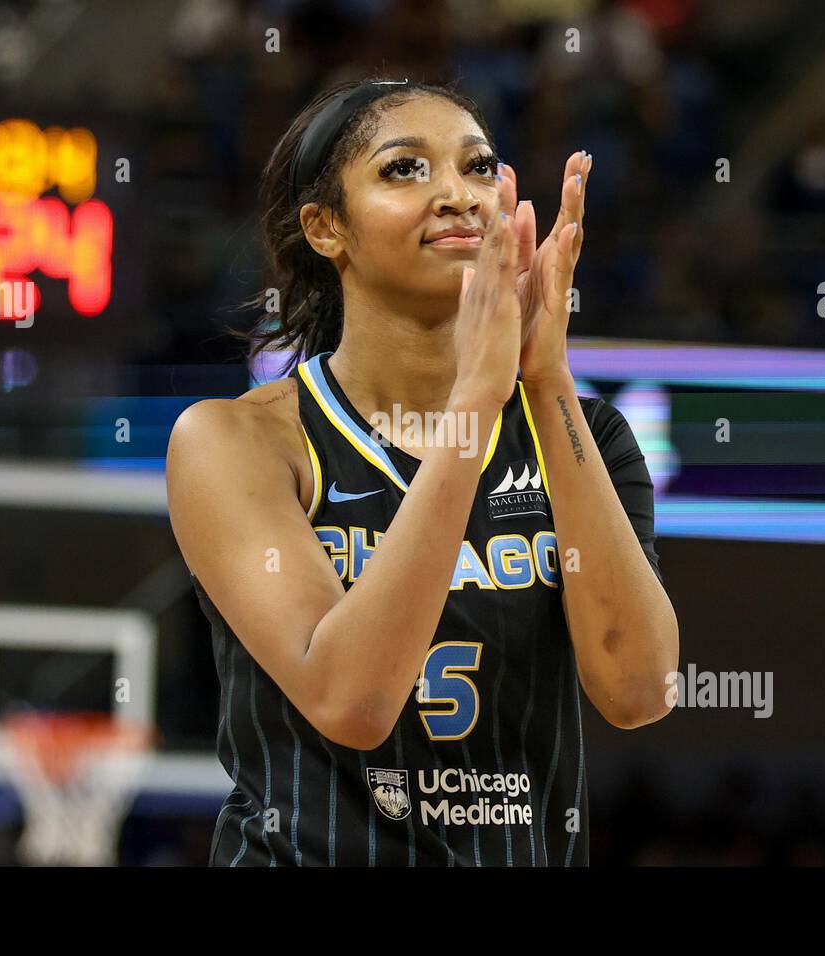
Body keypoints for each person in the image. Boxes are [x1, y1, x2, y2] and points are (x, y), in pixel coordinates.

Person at [166, 78, 678, 866]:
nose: (458, 196)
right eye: (404, 169)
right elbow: (352, 699)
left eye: (479, 169)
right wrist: (475, 401)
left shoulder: (583, 434)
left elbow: (640, 691)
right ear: (326, 228)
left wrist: (545, 379)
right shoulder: (237, 442)